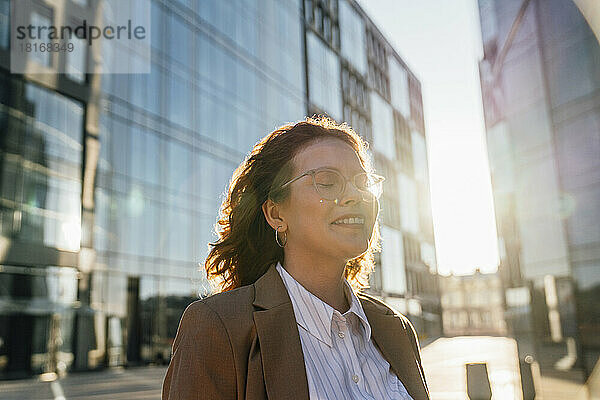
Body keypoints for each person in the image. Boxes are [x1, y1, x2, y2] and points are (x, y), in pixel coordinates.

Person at [162, 117, 430, 400]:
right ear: (276, 214)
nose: (355, 195)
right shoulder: (217, 326)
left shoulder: (396, 329)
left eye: (362, 182)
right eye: (328, 182)